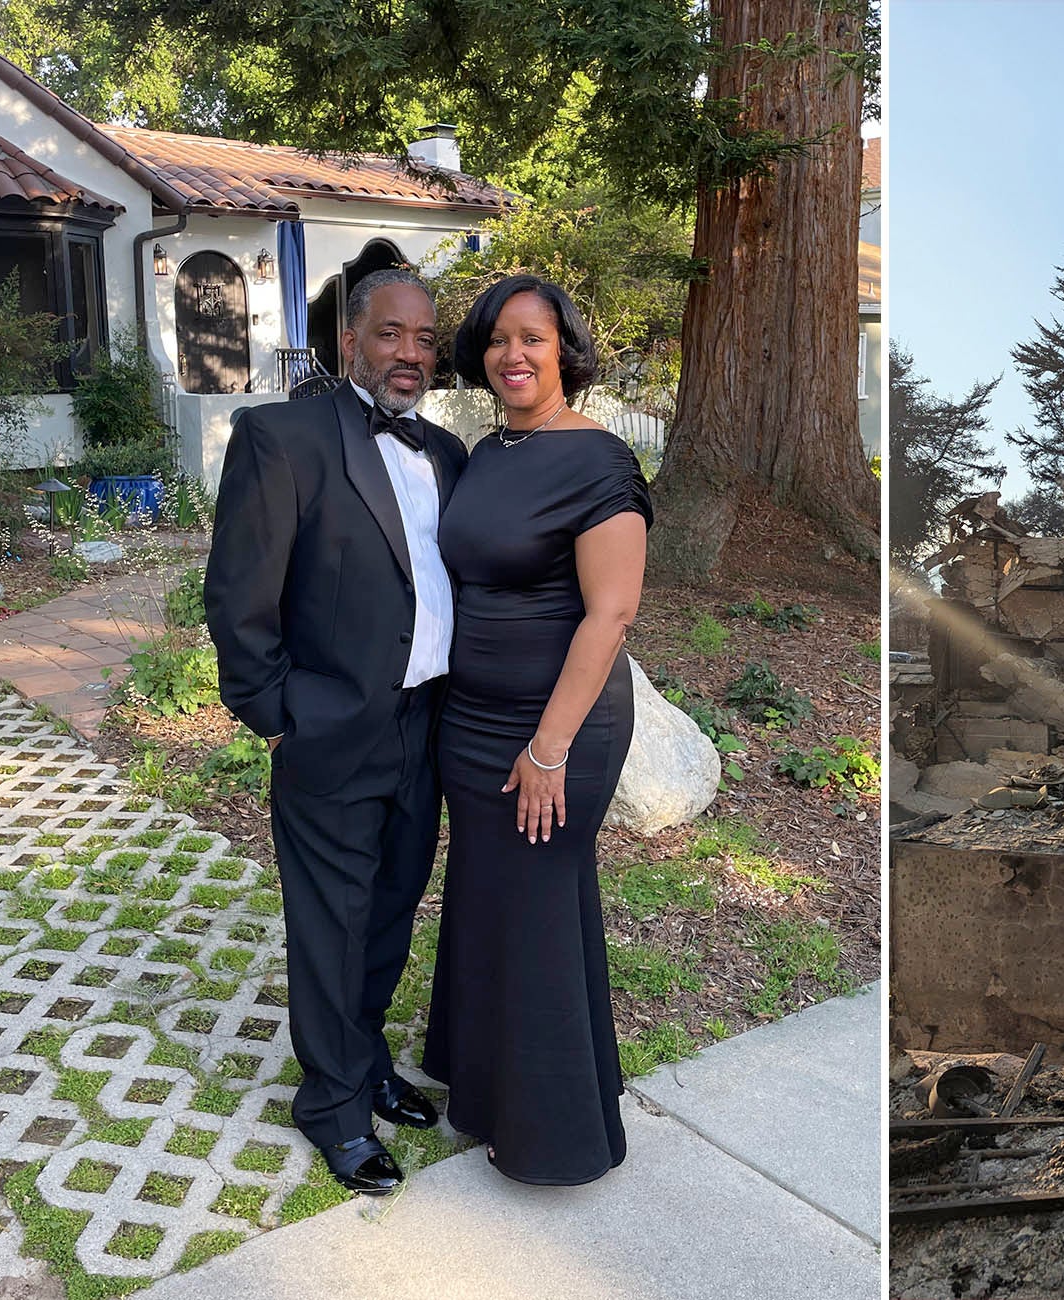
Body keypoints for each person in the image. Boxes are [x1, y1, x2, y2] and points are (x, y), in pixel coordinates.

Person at [204, 268, 465, 1195]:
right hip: (329, 727)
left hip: (426, 726)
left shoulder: (447, 452)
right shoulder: (283, 437)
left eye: (425, 339)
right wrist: (278, 718)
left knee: (390, 908)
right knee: (332, 924)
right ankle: (332, 1105)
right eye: (391, 334)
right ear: (351, 340)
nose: (409, 354)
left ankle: (367, 1061)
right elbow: (238, 596)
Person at [423, 274, 651, 1184]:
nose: (512, 355)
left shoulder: (598, 461)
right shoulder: (489, 451)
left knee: (537, 909)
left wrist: (547, 749)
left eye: (533, 338)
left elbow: (612, 614)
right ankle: (482, 1085)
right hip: (472, 722)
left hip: (557, 731)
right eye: (496, 339)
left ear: (567, 351)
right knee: (491, 898)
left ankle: (552, 1133)